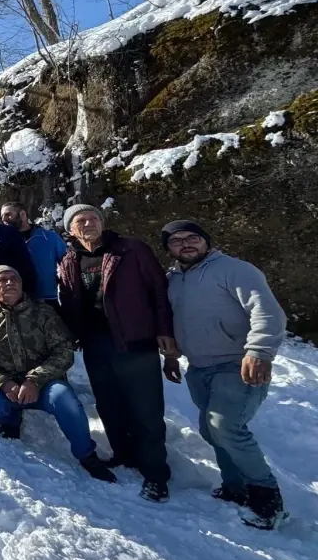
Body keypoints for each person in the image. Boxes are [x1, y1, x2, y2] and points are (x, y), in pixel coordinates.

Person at [163, 220, 289, 529]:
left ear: (206, 241)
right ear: (169, 249)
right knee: (211, 430)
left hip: (238, 364)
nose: (185, 244)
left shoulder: (235, 269)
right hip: (199, 367)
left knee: (225, 425)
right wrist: (169, 355)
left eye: (192, 237)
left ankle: (268, 500)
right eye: (176, 241)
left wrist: (259, 351)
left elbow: (267, 311)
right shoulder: (172, 280)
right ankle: (236, 488)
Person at [58, 204, 176, 503]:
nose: (87, 224)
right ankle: (125, 454)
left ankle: (156, 474)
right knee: (109, 404)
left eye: (93, 218)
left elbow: (159, 291)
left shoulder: (131, 249)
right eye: (80, 221)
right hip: (96, 344)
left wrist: (164, 330)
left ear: (102, 222)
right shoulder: (70, 259)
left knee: (146, 410)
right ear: (71, 230)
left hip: (135, 341)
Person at [0, 266, 117, 483]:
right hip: (7, 386)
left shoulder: (42, 312)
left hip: (44, 384)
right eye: (2, 280)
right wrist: (4, 383)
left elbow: (63, 350)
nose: (9, 283)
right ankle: (11, 419)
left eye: (13, 278)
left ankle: (86, 454)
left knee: (66, 401)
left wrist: (34, 380)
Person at [0, 201, 66, 305]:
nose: (4, 219)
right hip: (16, 301)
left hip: (47, 298)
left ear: (23, 214)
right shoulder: (3, 241)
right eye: (2, 216)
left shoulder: (49, 237)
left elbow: (67, 265)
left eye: (8, 214)